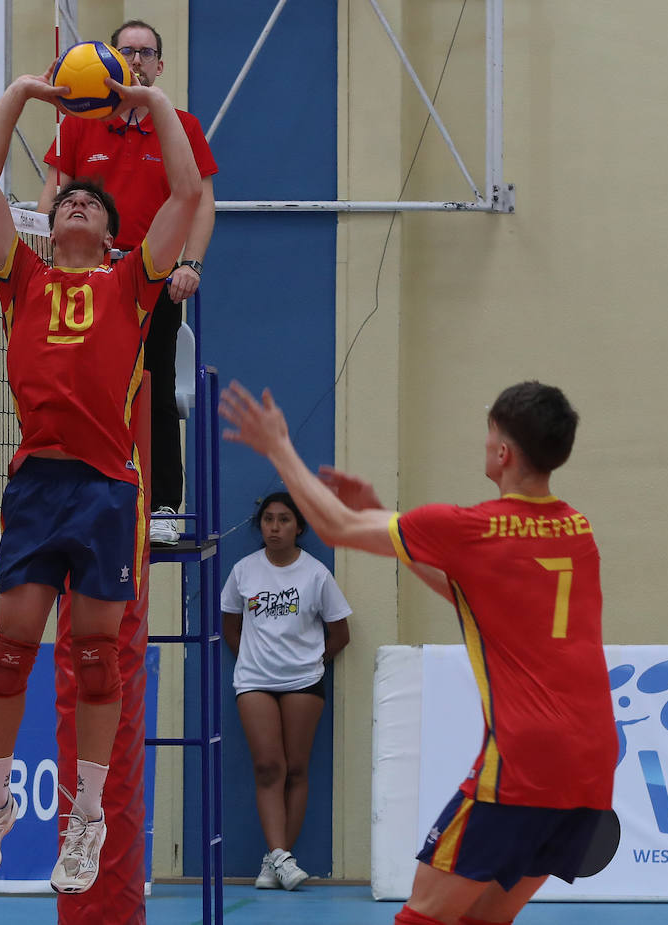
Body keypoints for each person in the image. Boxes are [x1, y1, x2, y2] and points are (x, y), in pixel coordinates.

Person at [218, 380, 615, 925]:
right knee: (483, 919)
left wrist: (277, 447)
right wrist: (387, 518)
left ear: (502, 453)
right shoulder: (578, 531)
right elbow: (469, 592)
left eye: (489, 433)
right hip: (593, 766)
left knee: (422, 917)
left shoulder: (471, 528)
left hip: (523, 762)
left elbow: (335, 526)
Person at [0, 61, 200, 893]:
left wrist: (155, 102)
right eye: (66, 199)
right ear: (49, 220)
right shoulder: (21, 279)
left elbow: (184, 193)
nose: (75, 205)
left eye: (91, 204)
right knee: (8, 653)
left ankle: (87, 815)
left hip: (104, 488)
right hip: (36, 483)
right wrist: (25, 93)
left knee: (98, 660)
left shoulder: (131, 284)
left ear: (108, 232)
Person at [37, 18, 219, 545]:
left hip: (152, 281)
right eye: (126, 52)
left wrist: (192, 264)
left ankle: (161, 503)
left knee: (155, 387)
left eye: (146, 53)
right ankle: (81, 494)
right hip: (90, 283)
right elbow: (54, 198)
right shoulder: (76, 124)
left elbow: (200, 202)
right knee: (80, 389)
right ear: (111, 61)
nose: (136, 61)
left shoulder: (181, 126)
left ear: (160, 66)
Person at [221, 491, 351, 891]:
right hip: (255, 682)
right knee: (268, 767)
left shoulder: (316, 574)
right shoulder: (244, 571)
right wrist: (253, 660)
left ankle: (276, 859)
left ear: (299, 527)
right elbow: (230, 625)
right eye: (268, 520)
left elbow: (340, 633)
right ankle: (281, 857)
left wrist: (312, 662)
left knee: (296, 769)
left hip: (304, 683)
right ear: (260, 526)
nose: (275, 527)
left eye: (284, 520)